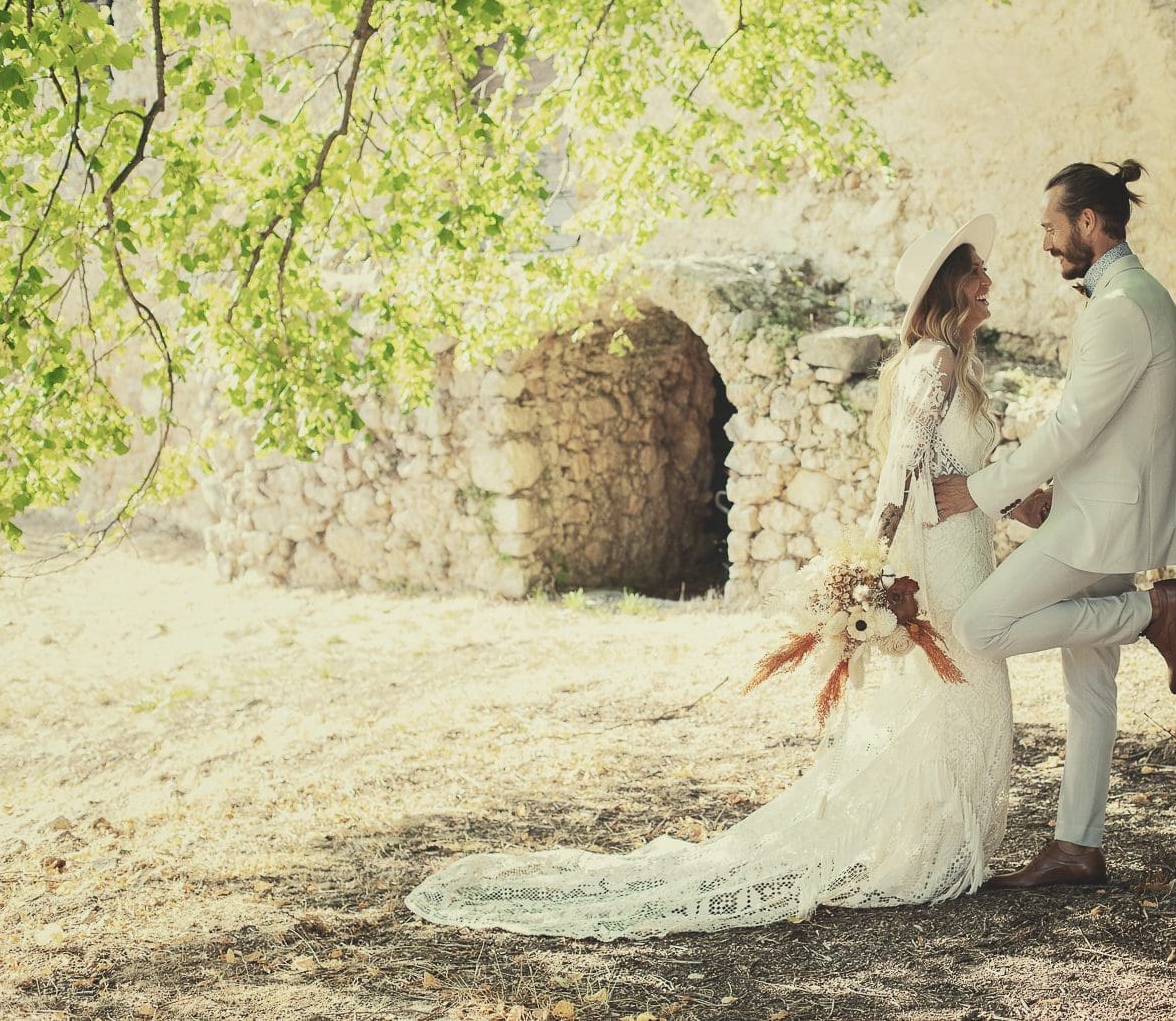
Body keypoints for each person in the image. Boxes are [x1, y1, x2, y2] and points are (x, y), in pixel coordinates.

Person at [404, 215, 1021, 939]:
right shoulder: (934, 362)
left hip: (965, 543)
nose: (989, 283)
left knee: (958, 691)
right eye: (976, 271)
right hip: (944, 555)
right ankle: (936, 848)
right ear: (951, 285)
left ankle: (943, 842)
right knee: (964, 685)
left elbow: (950, 466)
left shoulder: (947, 359)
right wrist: (869, 563)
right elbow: (900, 471)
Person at [933, 160, 1176, 890]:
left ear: (1087, 221)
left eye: (1050, 226)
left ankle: (1150, 613)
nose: (1044, 241)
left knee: (979, 626)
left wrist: (984, 492)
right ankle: (1077, 845)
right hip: (1107, 512)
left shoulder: (1122, 308)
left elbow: (1071, 427)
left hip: (1101, 524)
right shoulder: (1125, 299)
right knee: (1090, 691)